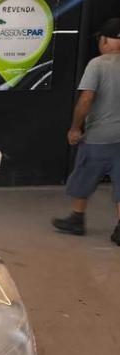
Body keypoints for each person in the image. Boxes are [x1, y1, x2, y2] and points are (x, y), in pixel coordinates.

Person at [52, 18, 120, 244]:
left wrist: (75, 128)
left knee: (84, 175)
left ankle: (77, 219)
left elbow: (86, 99)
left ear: (106, 40)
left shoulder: (98, 65)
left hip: (99, 137)